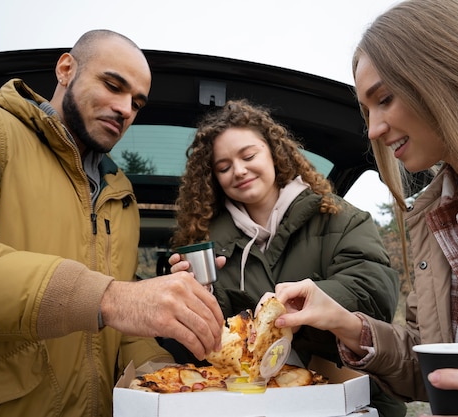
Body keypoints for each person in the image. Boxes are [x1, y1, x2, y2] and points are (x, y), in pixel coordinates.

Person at [268, 0, 458, 414]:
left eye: (384, 98)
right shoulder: (434, 217)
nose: (372, 129)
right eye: (367, 110)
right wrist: (344, 323)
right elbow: (431, 370)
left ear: (449, 72)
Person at [0, 30, 223, 417]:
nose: (125, 109)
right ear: (66, 69)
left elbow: (120, 328)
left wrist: (167, 377)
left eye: (136, 102)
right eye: (113, 85)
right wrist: (111, 298)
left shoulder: (122, 194)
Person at [169, 99, 406, 416]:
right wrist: (196, 297)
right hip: (247, 406)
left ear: (273, 151)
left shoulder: (338, 216)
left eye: (248, 155)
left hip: (347, 400)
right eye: (223, 167)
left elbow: (375, 297)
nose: (239, 170)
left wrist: (299, 308)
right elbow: (203, 348)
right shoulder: (203, 245)